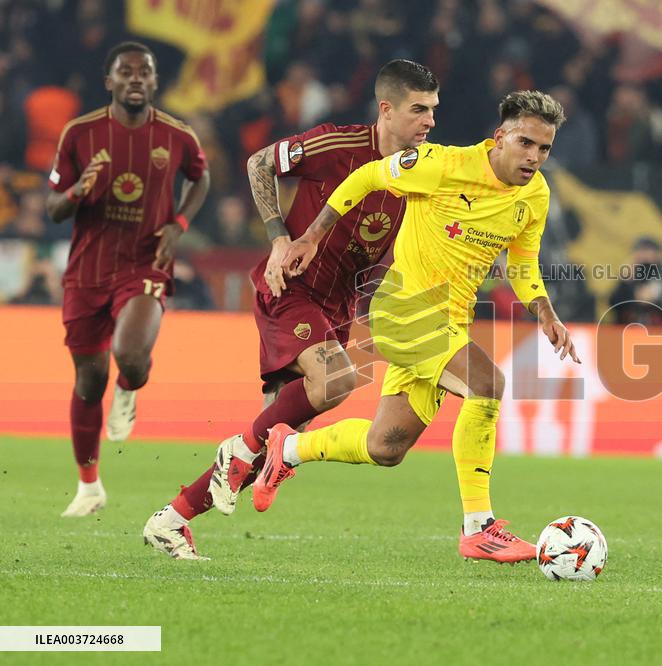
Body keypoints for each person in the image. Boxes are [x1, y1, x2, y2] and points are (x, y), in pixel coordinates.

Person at [255, 90, 580, 564]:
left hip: (449, 322)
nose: (534, 157)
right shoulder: (440, 165)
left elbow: (523, 264)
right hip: (403, 309)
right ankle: (479, 528)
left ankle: (289, 449)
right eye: (526, 143)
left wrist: (546, 314)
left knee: (386, 446)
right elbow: (366, 176)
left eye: (544, 148)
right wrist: (308, 235)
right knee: (487, 384)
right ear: (500, 137)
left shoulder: (536, 195)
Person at [141, 59, 439, 560]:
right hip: (292, 289)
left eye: (434, 110)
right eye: (419, 110)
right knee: (339, 381)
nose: (430, 121)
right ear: (386, 110)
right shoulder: (336, 146)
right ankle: (234, 451)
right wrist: (278, 238)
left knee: (274, 442)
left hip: (337, 308)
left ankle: (172, 520)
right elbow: (260, 163)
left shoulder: (424, 171)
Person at [46, 41, 209, 517]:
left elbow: (200, 179)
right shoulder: (80, 134)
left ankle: (130, 388)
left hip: (144, 263)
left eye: (145, 71)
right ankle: (89, 485)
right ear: (109, 81)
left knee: (131, 357)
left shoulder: (178, 136)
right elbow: (54, 209)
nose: (136, 77)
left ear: (155, 82)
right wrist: (79, 190)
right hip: (87, 272)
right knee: (88, 381)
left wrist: (178, 226)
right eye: (126, 71)